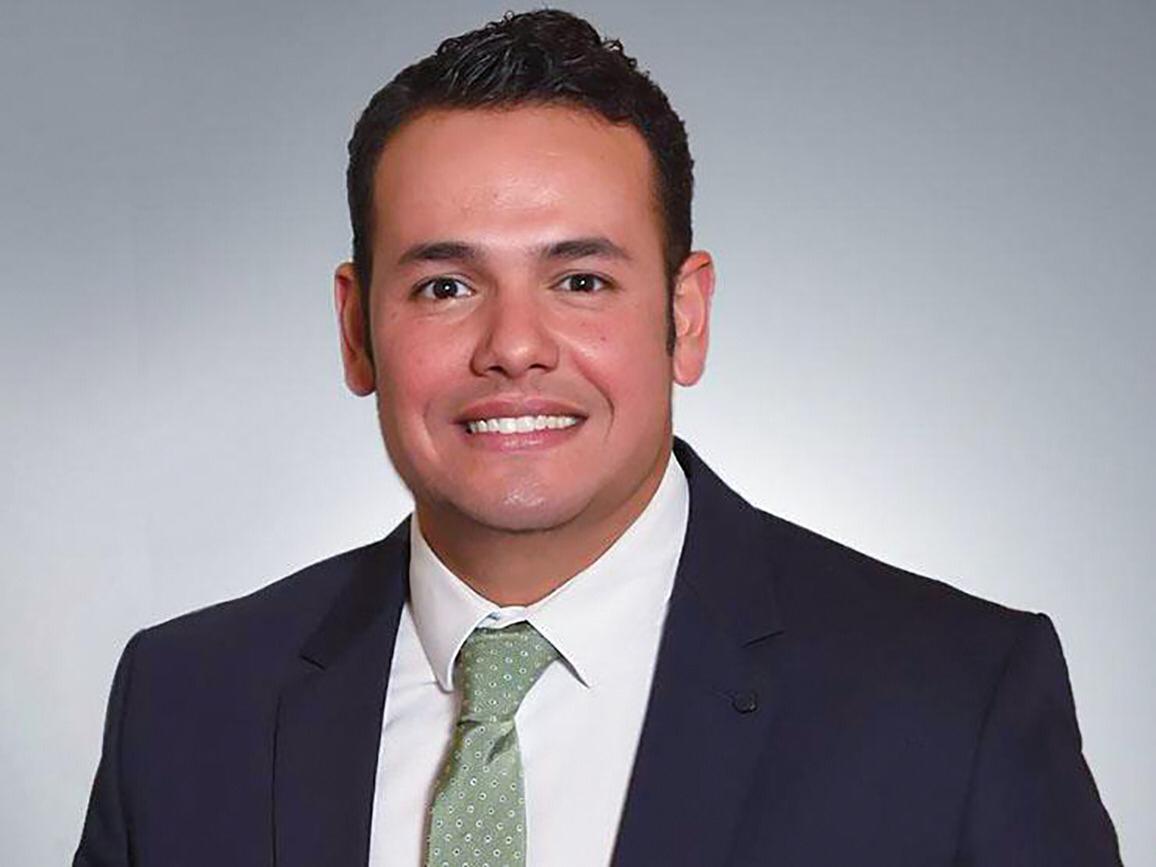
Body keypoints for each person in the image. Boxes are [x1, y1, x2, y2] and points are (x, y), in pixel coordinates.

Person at [74, 9, 1121, 866]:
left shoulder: (954, 700)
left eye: (579, 280)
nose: (513, 347)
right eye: (445, 286)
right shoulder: (185, 703)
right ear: (357, 330)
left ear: (686, 316)